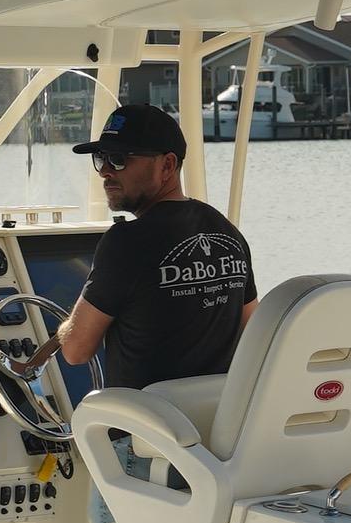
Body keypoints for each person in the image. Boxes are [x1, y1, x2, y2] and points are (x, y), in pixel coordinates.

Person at [57, 102, 256, 391]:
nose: (106, 171)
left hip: (141, 428)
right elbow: (252, 331)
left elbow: (76, 351)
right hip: (213, 422)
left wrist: (65, 329)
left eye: (119, 158)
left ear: (167, 165)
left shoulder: (127, 242)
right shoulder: (228, 233)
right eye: (101, 158)